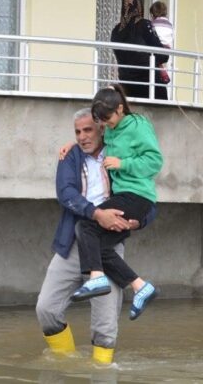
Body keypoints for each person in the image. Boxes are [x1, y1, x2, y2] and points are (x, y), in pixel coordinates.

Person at [35, 107, 156, 365]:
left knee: (105, 327)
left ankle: (101, 374)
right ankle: (64, 364)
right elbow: (65, 193)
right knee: (46, 309)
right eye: (77, 132)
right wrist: (96, 214)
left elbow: (147, 199)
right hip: (71, 245)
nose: (82, 136)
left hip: (106, 249)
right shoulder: (70, 156)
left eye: (88, 129)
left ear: (102, 128)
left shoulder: (122, 154)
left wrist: (138, 222)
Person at [70, 85, 162, 322]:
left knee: (86, 226)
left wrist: (123, 164)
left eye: (108, 118)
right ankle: (141, 287)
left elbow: (154, 161)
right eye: (101, 120)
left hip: (137, 195)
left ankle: (96, 279)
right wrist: (69, 146)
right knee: (98, 247)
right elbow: (93, 141)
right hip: (123, 195)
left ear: (120, 109)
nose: (107, 124)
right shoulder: (110, 129)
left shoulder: (138, 125)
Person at [110, 0, 169, 100]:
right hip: (149, 85)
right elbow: (163, 56)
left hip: (126, 85)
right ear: (139, 6)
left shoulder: (116, 31)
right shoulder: (144, 25)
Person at [149, 1, 174, 84]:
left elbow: (152, 36)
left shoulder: (153, 24)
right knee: (159, 64)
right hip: (167, 50)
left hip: (158, 48)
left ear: (153, 14)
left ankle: (164, 76)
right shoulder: (169, 24)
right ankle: (163, 75)